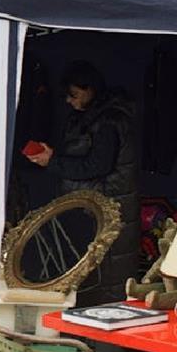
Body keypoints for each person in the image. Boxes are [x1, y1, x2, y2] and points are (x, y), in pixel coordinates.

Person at [25, 60, 139, 306]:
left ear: (90, 90)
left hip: (106, 208)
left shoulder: (109, 121)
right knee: (91, 272)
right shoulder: (94, 117)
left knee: (105, 275)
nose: (69, 101)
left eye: (74, 94)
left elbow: (97, 166)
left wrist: (52, 161)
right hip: (93, 207)